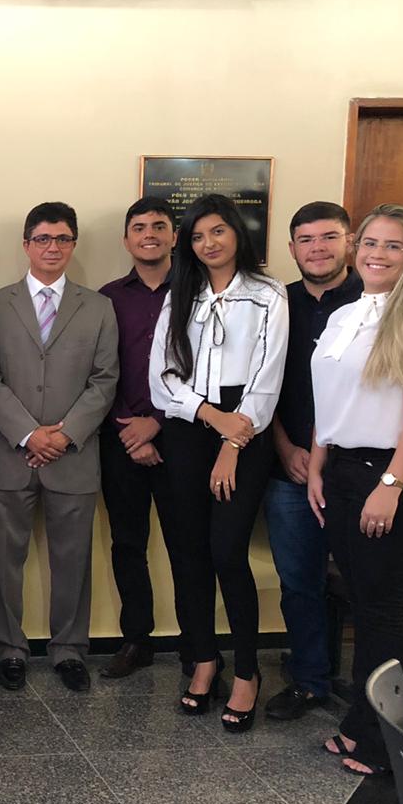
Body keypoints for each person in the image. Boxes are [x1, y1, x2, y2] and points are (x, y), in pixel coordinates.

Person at [309, 203, 403, 775]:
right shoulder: (345, 315)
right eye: (370, 242)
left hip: (398, 476)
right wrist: (319, 465)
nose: (377, 254)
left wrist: (390, 484)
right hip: (344, 470)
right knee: (365, 604)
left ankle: (392, 746)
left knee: (384, 611)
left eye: (393, 245)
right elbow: (331, 401)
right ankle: (360, 724)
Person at [149, 193, 287, 733]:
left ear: (236, 233)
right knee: (189, 554)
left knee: (228, 551)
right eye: (198, 236)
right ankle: (204, 661)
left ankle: (248, 671)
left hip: (245, 432)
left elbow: (267, 378)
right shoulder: (179, 295)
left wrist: (233, 441)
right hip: (190, 426)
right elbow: (162, 378)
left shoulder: (269, 294)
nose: (209, 243)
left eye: (218, 231)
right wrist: (210, 416)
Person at [0, 202, 119, 693]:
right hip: (9, 452)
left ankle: (69, 649)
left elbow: (105, 380)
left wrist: (62, 435)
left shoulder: (98, 307)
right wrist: (29, 433)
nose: (52, 247)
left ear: (73, 245)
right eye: (42, 238)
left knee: (73, 559)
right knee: (3, 559)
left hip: (73, 455)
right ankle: (8, 649)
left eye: (62, 239)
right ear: (26, 244)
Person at [263, 202, 361, 720]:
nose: (317, 248)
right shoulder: (277, 304)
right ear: (292, 248)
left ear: (350, 242)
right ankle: (310, 679)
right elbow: (262, 388)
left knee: (367, 585)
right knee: (299, 580)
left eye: (328, 237)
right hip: (291, 468)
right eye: (305, 239)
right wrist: (285, 448)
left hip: (359, 471)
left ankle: (372, 696)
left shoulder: (376, 301)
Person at [97, 197, 187, 679]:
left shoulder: (198, 293)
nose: (148, 234)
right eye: (139, 227)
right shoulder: (107, 298)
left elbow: (206, 371)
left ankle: (197, 645)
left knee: (186, 544)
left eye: (158, 226)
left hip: (182, 438)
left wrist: (157, 423)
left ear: (174, 236)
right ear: (126, 239)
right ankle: (137, 639)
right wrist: (130, 427)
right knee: (127, 543)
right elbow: (97, 372)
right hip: (120, 439)